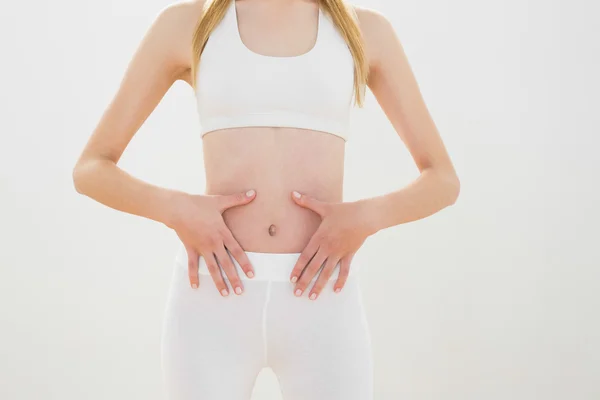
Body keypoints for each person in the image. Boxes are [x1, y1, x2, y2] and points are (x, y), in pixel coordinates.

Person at [72, 0, 460, 398]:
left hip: (323, 300)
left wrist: (365, 217)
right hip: (212, 299)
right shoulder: (192, 23)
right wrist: (176, 209)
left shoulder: (364, 32)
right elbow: (91, 169)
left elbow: (442, 179)